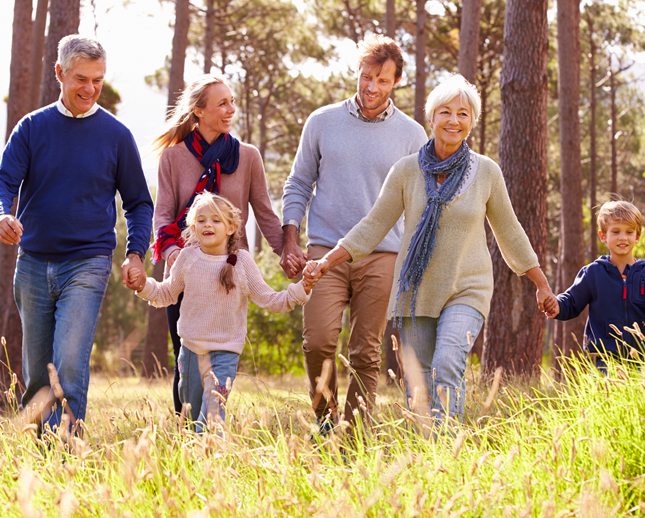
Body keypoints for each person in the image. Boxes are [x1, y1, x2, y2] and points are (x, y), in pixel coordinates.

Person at [306, 74, 557, 424]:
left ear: (472, 121)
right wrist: (327, 260)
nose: (454, 120)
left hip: (467, 287)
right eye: (445, 112)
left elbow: (510, 231)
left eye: (463, 113)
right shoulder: (407, 171)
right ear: (431, 117)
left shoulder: (486, 172)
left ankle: (445, 450)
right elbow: (374, 225)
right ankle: (428, 456)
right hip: (417, 290)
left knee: (447, 363)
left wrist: (541, 283)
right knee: (419, 381)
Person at [0, 35, 153, 432]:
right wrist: (3, 214)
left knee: (68, 363)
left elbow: (138, 202)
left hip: (88, 261)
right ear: (60, 74)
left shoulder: (116, 136)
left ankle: (66, 451)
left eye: (98, 80)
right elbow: (4, 182)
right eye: (81, 78)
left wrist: (136, 253)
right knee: (37, 373)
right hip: (33, 262)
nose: (89, 88)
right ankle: (42, 455)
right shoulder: (32, 128)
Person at [281, 34, 428, 430]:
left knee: (365, 352)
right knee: (318, 341)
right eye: (366, 77)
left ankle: (356, 433)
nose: (371, 87)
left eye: (382, 80)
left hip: (383, 254)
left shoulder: (412, 135)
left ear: (396, 81)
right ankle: (326, 423)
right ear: (357, 73)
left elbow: (419, 202)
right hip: (324, 251)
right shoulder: (322, 121)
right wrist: (290, 238)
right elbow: (298, 183)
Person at [151, 74, 284, 415]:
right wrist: (175, 256)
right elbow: (163, 215)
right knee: (186, 357)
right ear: (198, 111)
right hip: (187, 270)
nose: (231, 110)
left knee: (222, 359)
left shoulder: (248, 156)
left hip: (230, 272)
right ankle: (186, 431)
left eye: (232, 102)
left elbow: (266, 213)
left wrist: (287, 252)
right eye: (222, 103)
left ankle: (212, 427)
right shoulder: (173, 157)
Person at [128, 193, 313, 431]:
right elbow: (166, 294)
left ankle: (212, 460)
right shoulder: (187, 258)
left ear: (231, 227)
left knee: (212, 418)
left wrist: (302, 288)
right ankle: (195, 463)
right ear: (194, 226)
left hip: (224, 354)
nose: (208, 225)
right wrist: (143, 286)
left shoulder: (242, 263)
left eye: (216, 220)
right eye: (201, 220)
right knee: (192, 418)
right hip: (191, 353)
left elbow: (271, 300)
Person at [551, 201, 645, 362]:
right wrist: (555, 305)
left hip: (641, 359)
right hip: (603, 358)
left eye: (629, 232)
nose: (622, 237)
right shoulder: (593, 273)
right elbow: (571, 302)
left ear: (637, 236)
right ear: (603, 236)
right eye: (616, 232)